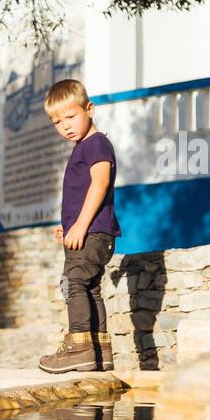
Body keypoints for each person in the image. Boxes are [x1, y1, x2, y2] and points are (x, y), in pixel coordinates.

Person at [38, 79, 123, 374]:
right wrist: (70, 226)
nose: (65, 126)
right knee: (90, 288)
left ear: (90, 108)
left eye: (71, 117)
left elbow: (100, 184)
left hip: (91, 232)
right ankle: (100, 352)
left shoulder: (96, 144)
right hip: (93, 232)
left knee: (73, 283)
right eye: (57, 122)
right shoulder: (83, 147)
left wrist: (81, 226)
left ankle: (79, 348)